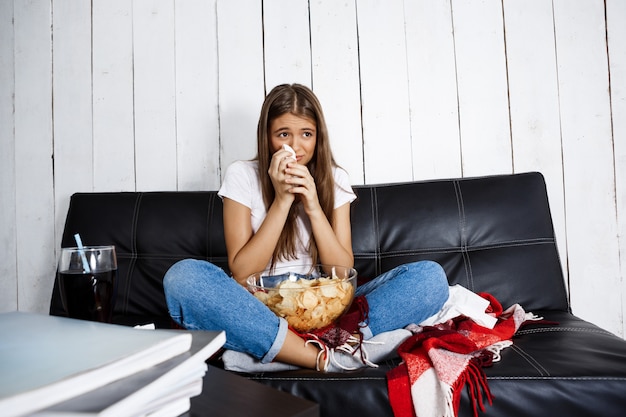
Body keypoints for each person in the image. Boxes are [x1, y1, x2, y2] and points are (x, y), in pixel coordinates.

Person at [163, 83, 449, 372]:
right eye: (283, 134)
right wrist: (283, 200)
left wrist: (312, 204)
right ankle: (328, 357)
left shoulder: (334, 178)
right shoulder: (242, 175)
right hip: (259, 309)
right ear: (268, 137)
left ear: (318, 137)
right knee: (183, 278)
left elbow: (341, 273)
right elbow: (242, 273)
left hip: (327, 307)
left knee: (430, 278)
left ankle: (283, 354)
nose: (295, 147)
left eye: (306, 135)